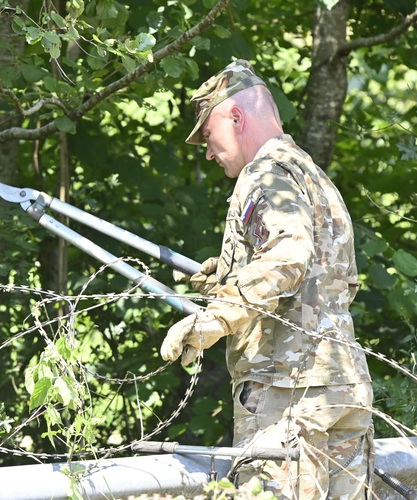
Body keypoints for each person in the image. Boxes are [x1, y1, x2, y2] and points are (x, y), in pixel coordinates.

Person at [160, 59, 374, 499]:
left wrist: (214, 319)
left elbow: (288, 255)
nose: (207, 150)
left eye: (208, 135)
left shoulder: (265, 174)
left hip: (287, 395)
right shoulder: (310, 173)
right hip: (341, 390)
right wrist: (228, 271)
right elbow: (325, 273)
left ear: (235, 118)